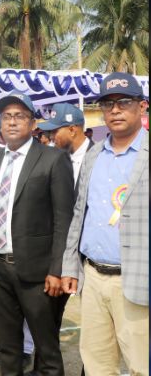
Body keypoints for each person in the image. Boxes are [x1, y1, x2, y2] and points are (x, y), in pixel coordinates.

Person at [0, 91, 74, 376]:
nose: (12, 122)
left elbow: (64, 219)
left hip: (38, 274)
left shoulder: (53, 159)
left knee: (46, 350)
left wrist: (57, 269)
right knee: (9, 349)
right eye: (6, 117)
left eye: (19, 116)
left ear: (33, 123)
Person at [61, 72, 149, 375]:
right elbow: (78, 214)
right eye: (107, 104)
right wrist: (70, 265)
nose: (114, 110)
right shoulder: (93, 154)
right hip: (93, 279)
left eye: (123, 102)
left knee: (141, 365)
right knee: (97, 364)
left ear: (142, 107)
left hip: (138, 280)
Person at [39, 103, 94, 185]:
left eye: (54, 131)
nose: (51, 136)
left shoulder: (98, 157)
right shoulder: (58, 158)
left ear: (72, 130)